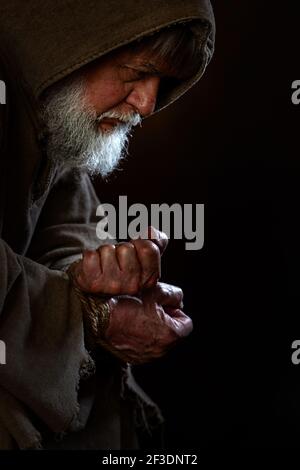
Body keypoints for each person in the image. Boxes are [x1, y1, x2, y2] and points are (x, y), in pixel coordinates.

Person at [0, 0, 215, 450]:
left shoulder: (52, 105)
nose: (149, 103)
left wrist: (100, 279)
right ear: (64, 44)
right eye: (137, 73)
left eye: (163, 83)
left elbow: (66, 220)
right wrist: (89, 315)